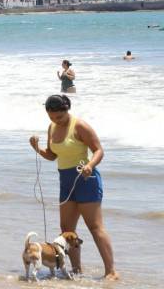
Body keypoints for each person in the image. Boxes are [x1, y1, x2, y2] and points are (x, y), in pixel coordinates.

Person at [29, 95, 119, 280]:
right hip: (66, 181)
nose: (55, 120)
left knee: (95, 226)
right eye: (51, 117)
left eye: (59, 117)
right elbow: (52, 155)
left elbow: (99, 150)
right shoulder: (52, 127)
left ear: (67, 110)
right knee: (67, 229)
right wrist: (36, 148)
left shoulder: (79, 126)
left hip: (86, 179)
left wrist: (90, 166)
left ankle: (111, 271)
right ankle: (76, 269)